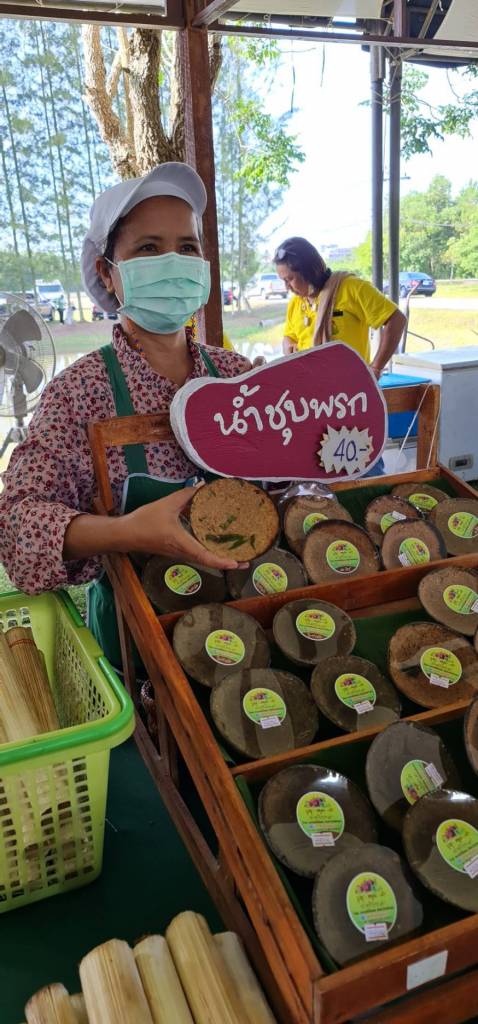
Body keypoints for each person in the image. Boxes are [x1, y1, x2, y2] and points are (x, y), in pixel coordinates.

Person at [0, 163, 252, 669]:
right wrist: (128, 531)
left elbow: (288, 487)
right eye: (149, 248)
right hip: (137, 645)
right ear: (107, 273)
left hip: (248, 626)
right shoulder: (78, 394)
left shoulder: (235, 376)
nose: (173, 262)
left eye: (187, 247)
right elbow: (16, 527)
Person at [273, 236, 406, 379]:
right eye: (283, 281)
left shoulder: (351, 288)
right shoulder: (296, 303)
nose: (287, 287)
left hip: (350, 385)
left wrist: (376, 367)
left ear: (309, 271)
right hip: (310, 386)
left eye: (290, 279)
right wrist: (288, 346)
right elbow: (289, 336)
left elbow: (396, 320)